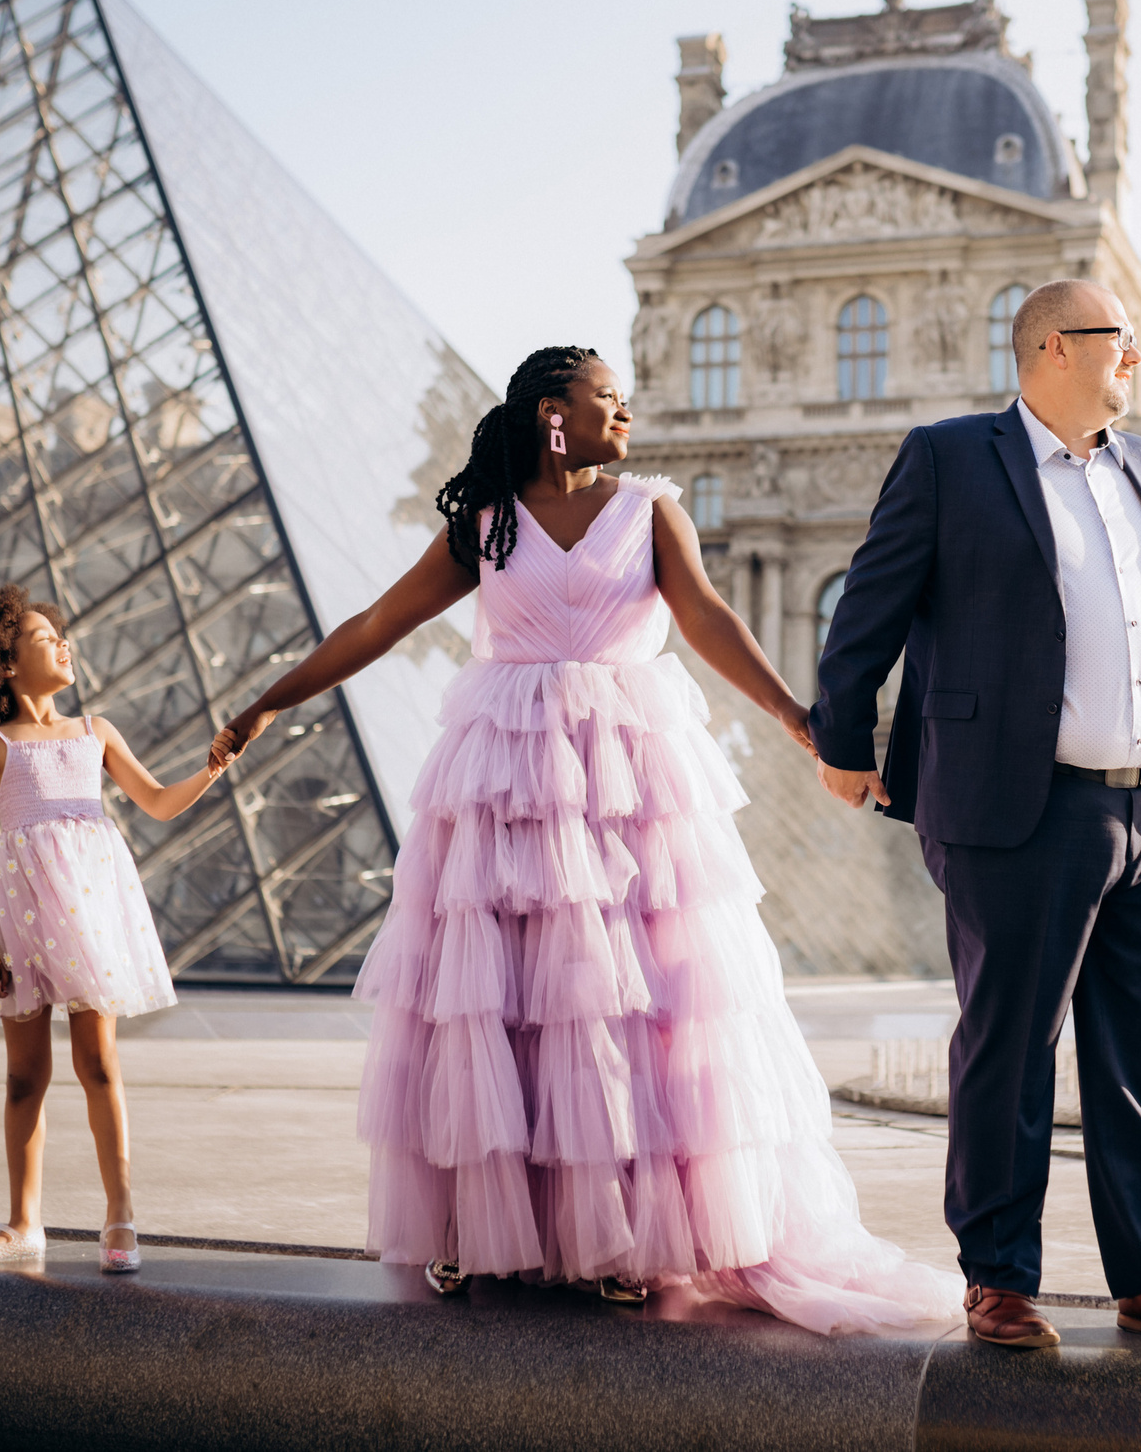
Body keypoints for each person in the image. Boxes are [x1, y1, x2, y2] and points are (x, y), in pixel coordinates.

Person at [212, 347, 960, 1335]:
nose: (628, 413)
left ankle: (629, 1240)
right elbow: (376, 623)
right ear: (553, 412)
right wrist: (269, 703)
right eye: (610, 398)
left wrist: (793, 714)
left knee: (626, 1003)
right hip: (504, 774)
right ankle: (486, 1227)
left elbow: (707, 619)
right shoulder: (483, 527)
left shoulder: (649, 511)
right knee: (501, 1003)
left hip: (628, 769)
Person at [809, 280, 1141, 1352]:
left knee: (1136, 1063)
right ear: (1053, 348)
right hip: (1019, 804)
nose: (1136, 361)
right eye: (1121, 343)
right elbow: (865, 604)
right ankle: (998, 1278)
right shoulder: (950, 457)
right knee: (1010, 1049)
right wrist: (842, 740)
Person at [0, 586, 230, 1273]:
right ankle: (24, 1221)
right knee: (23, 1075)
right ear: (4, 662)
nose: (64, 643)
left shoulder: (95, 730)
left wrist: (212, 767)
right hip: (20, 918)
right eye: (44, 637)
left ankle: (120, 1214)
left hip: (90, 911)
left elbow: (154, 801)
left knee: (98, 1063)